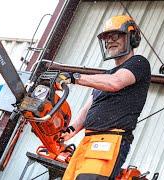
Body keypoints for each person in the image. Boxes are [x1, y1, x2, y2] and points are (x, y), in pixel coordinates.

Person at [60, 15, 151, 179]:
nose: (110, 41)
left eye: (115, 35)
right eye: (106, 37)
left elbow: (116, 82)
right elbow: (87, 109)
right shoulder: (105, 76)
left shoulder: (138, 63)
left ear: (132, 37)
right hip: (87, 141)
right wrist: (69, 131)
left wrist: (75, 77)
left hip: (109, 141)